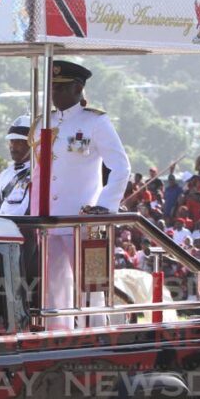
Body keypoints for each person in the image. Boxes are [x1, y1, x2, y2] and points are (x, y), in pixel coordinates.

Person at [37, 60, 130, 329]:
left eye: (61, 88)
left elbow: (121, 166)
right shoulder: (47, 122)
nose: (54, 93)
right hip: (50, 220)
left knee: (90, 290)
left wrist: (104, 206)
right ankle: (57, 336)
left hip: (82, 221)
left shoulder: (95, 121)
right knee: (52, 288)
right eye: (52, 87)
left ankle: (95, 336)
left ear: (78, 88)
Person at [0, 116, 32, 216]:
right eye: (12, 141)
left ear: (31, 144)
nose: (13, 146)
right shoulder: (4, 175)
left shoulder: (37, 174)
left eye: (20, 141)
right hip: (2, 229)